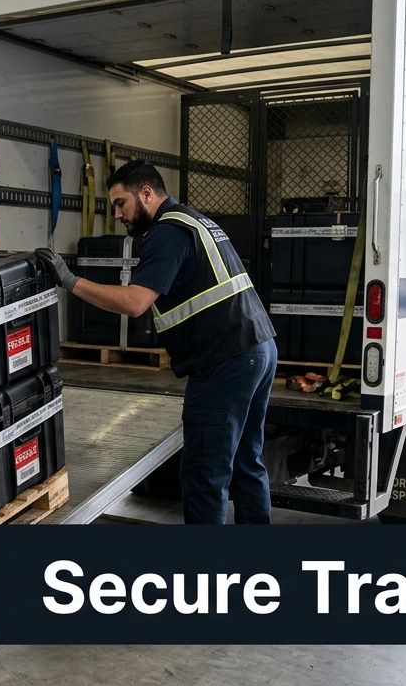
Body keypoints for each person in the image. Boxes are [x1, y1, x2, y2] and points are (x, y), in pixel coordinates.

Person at [35, 160, 277, 525]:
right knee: (246, 462)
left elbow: (135, 303)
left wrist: (70, 281)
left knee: (203, 473)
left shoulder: (166, 233)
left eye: (121, 203)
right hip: (257, 348)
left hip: (224, 361)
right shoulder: (193, 220)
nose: (116, 214)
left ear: (146, 194)